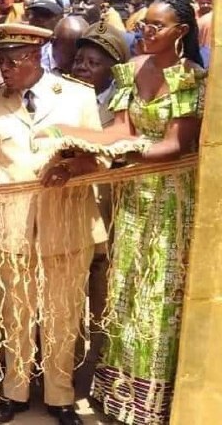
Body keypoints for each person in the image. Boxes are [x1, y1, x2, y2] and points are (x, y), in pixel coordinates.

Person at [44, 0, 205, 424]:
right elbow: (119, 128)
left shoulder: (190, 78)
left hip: (170, 199)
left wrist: (120, 153)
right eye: (145, 24)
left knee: (159, 297)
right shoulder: (132, 70)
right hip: (132, 196)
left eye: (157, 26)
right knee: (126, 290)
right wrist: (69, 135)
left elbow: (176, 144)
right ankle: (121, 396)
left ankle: (156, 401)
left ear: (181, 33)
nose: (146, 32)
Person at [0, 23, 105, 425]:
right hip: (14, 226)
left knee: (63, 314)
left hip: (67, 223)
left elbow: (101, 155)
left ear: (35, 56)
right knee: (16, 313)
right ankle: (15, 392)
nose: (5, 69)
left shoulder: (77, 97)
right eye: (1, 60)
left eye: (12, 61)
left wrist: (75, 165)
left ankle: (60, 397)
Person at [70, 22, 130, 370]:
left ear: (113, 69)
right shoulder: (64, 99)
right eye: (79, 60)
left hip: (108, 218)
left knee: (103, 295)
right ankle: (70, 366)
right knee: (70, 300)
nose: (83, 68)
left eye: (94, 62)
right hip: (72, 216)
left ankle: (101, 369)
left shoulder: (123, 107)